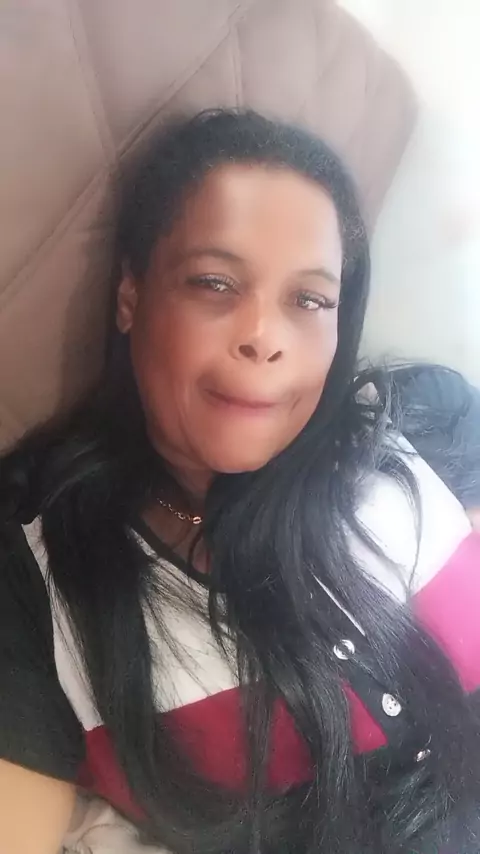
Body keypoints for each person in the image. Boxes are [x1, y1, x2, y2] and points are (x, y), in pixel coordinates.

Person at [0, 109, 479, 854]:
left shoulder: (423, 419)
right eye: (215, 283)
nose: (265, 336)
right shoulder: (35, 576)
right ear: (130, 296)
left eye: (310, 299)